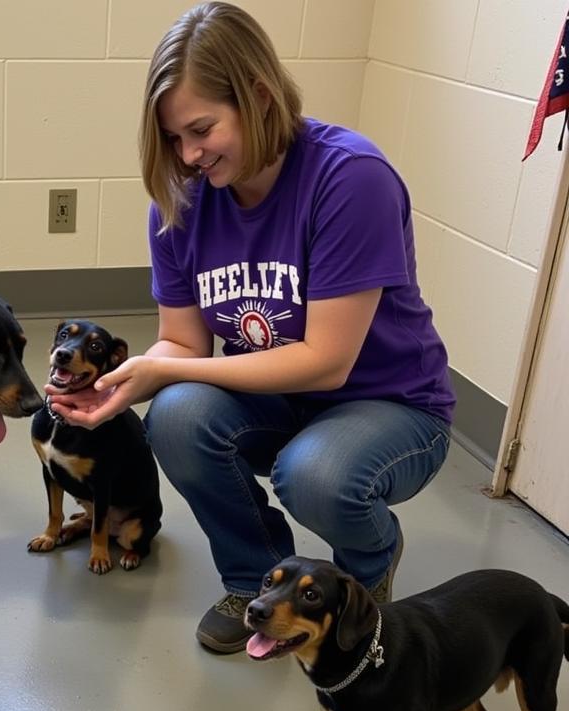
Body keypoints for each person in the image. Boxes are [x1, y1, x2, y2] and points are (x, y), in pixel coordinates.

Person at [48, 2, 454, 654]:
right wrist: (127, 383)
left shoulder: (350, 178)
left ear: (260, 96)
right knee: (175, 417)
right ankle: (257, 583)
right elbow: (182, 343)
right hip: (280, 398)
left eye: (201, 129)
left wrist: (166, 370)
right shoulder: (181, 202)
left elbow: (327, 360)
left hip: (389, 406)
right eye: (174, 138)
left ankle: (370, 564)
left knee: (313, 475)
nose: (188, 154)